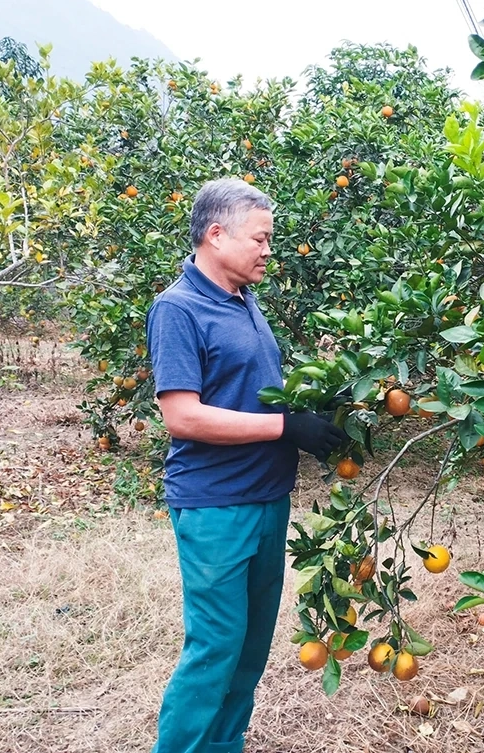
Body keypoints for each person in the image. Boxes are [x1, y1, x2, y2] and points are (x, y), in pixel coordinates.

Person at [145, 177, 346, 753]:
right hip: (216, 505)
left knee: (250, 648)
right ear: (216, 235)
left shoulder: (242, 300)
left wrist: (313, 408)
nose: (267, 251)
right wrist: (286, 427)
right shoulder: (178, 309)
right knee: (215, 647)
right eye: (259, 239)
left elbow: (250, 393)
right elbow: (182, 416)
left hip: (267, 499)